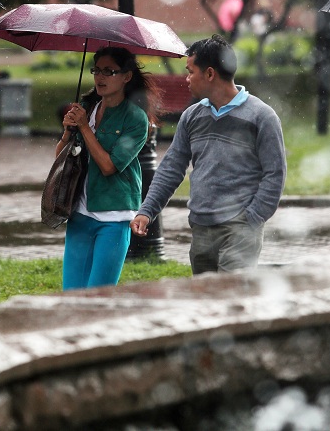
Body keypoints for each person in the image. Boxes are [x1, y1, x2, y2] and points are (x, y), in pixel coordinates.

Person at [130, 34, 286, 274]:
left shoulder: (261, 116)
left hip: (240, 228)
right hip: (201, 227)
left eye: (190, 71)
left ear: (210, 74)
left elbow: (275, 174)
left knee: (231, 301)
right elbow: (171, 168)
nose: (187, 78)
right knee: (207, 303)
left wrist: (252, 218)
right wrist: (147, 210)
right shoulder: (192, 117)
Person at [58, 46, 159, 290]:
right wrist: (67, 131)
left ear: (126, 76)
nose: (100, 77)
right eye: (97, 70)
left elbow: (108, 166)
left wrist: (84, 128)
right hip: (80, 212)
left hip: (114, 217)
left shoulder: (135, 118)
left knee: (98, 295)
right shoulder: (87, 107)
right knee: (71, 294)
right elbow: (61, 158)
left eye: (109, 71)